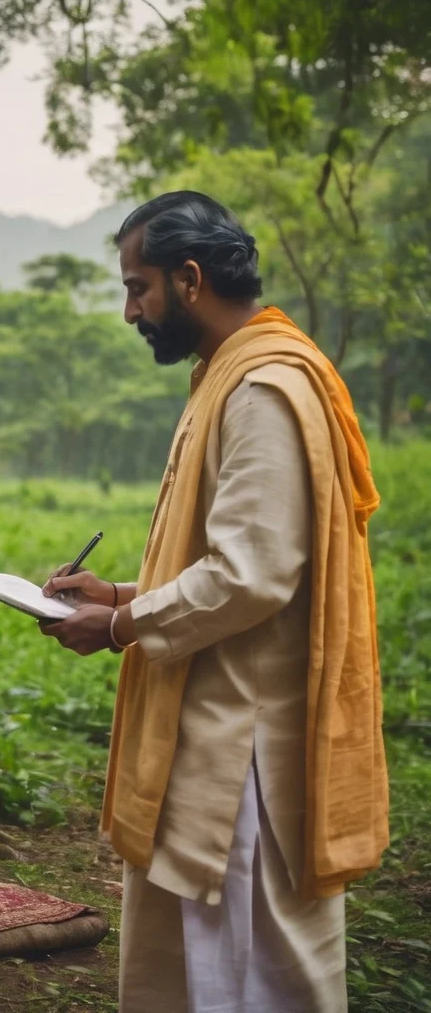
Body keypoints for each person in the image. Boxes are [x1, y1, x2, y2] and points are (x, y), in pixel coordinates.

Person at [39, 192, 388, 1012]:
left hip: (248, 753)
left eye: (139, 287)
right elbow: (230, 558)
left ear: (189, 279)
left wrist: (121, 625)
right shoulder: (227, 375)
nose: (131, 311)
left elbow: (251, 575)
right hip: (214, 723)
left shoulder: (263, 386)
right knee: (195, 963)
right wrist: (122, 591)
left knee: (247, 969)